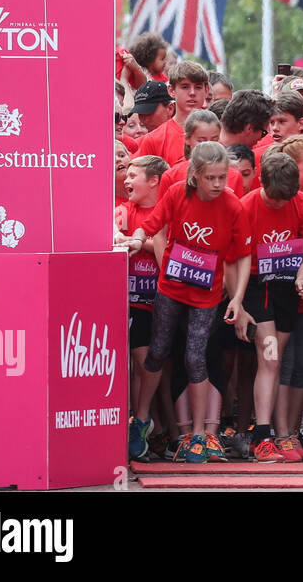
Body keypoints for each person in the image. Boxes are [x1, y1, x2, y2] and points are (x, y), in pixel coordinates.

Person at [127, 142, 251, 463]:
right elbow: (152, 225)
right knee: (157, 351)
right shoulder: (177, 194)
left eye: (222, 177)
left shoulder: (233, 206)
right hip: (170, 288)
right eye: (210, 178)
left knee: (195, 357)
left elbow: (242, 257)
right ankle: (140, 420)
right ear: (195, 175)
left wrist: (237, 299)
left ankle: (197, 435)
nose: (217, 185)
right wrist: (138, 238)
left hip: (206, 295)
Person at [237, 152, 303, 463]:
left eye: (287, 199)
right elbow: (237, 258)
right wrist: (239, 301)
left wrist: (302, 277)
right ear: (261, 183)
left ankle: (283, 435)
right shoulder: (246, 207)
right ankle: (262, 436)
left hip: (287, 286)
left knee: (276, 361)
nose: (281, 205)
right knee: (269, 358)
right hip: (258, 285)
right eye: (274, 200)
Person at [116, 154, 170, 454]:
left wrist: (142, 243)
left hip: (159, 298)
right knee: (134, 360)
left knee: (147, 361)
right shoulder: (121, 211)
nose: (126, 180)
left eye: (133, 175)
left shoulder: (168, 211)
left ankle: (142, 418)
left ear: (154, 181)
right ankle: (134, 421)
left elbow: (168, 257)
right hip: (127, 298)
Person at [137, 61, 211, 164]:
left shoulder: (217, 134)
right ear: (171, 90)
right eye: (185, 87)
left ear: (206, 90)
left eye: (198, 87)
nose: (192, 93)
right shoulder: (153, 140)